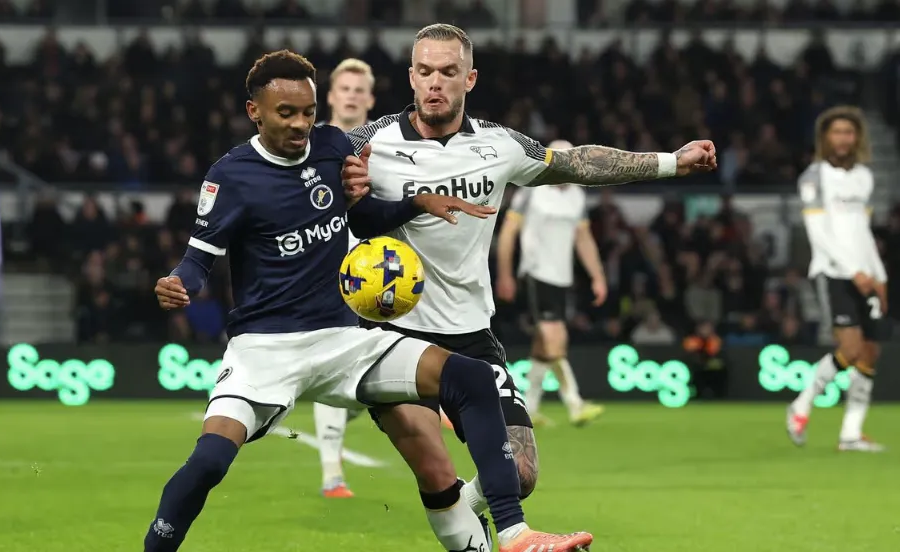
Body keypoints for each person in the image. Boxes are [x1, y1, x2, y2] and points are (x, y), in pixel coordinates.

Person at [143, 49, 594, 552]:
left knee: (468, 377)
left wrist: (415, 203)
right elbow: (196, 261)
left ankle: (513, 532)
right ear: (255, 111)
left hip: (343, 338)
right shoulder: (230, 175)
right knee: (208, 462)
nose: (300, 125)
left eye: (308, 113)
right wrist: (177, 282)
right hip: (265, 349)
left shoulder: (333, 146)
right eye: (285, 114)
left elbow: (362, 220)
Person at [341, 22, 716, 551]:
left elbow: (577, 162)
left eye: (448, 72)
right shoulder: (368, 143)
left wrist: (672, 162)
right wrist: (336, 179)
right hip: (394, 335)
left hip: (471, 332)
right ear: (410, 76)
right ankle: (502, 533)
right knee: (435, 469)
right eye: (425, 71)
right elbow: (302, 166)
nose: (435, 83)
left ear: (469, 78)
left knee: (518, 473)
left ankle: (480, 521)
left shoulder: (499, 144)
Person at [787, 106, 887, 452]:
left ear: (856, 137)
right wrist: (854, 270)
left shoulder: (863, 177)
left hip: (866, 273)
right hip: (833, 272)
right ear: (825, 138)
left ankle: (851, 434)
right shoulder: (814, 177)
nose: (843, 138)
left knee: (870, 353)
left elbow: (863, 230)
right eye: (836, 132)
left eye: (849, 131)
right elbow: (819, 233)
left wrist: (879, 275)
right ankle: (801, 404)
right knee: (851, 349)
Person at [495, 139, 607, 427]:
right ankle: (575, 403)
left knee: (544, 346)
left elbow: (583, 238)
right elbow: (508, 233)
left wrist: (597, 275)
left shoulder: (577, 196)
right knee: (556, 338)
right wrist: (505, 274)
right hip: (536, 272)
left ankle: (528, 407)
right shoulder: (531, 190)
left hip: (562, 276)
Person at [312, 57, 377, 499]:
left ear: (370, 99)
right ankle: (332, 473)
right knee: (331, 363)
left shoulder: (388, 142)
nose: (352, 95)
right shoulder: (313, 144)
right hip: (327, 270)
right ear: (331, 96)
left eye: (360, 89)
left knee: (363, 385)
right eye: (345, 88)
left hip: (379, 272)